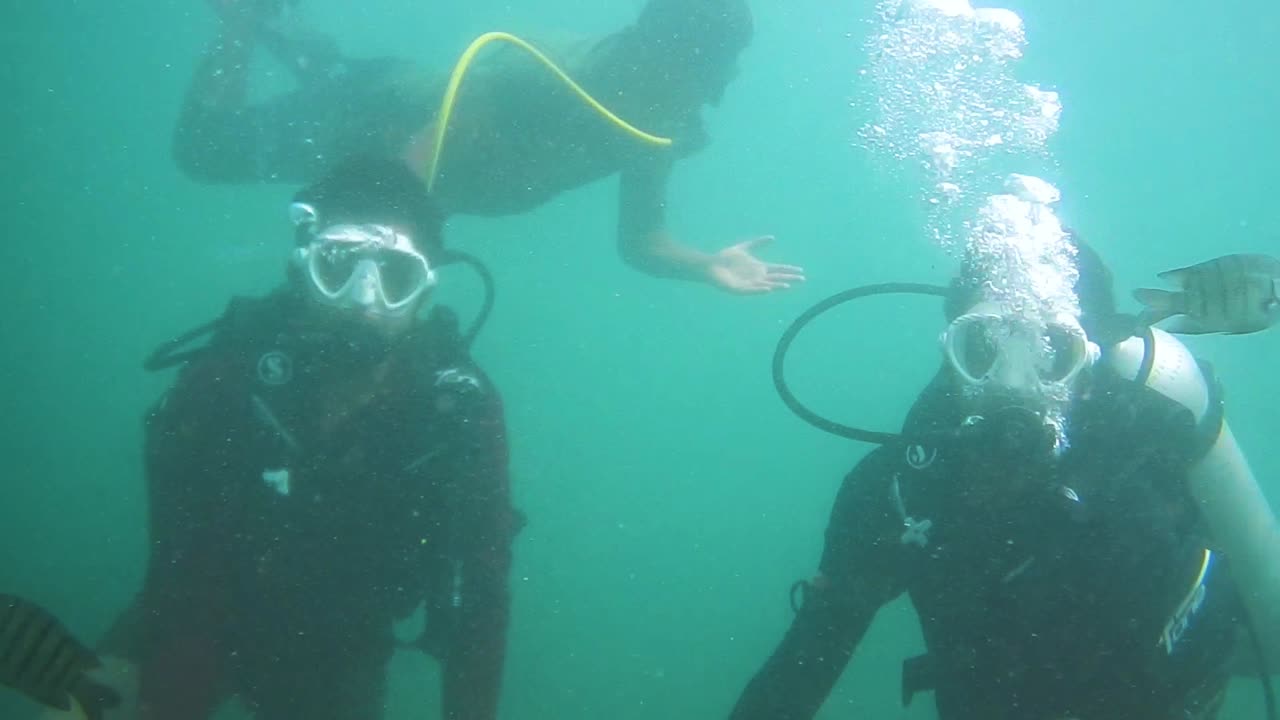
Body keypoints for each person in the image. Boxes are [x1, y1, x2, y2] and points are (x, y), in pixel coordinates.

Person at [729, 240, 1280, 719]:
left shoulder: (1151, 420)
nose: (1012, 386)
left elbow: (1263, 573)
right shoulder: (898, 491)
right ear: (950, 351)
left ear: (1088, 358)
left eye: (1051, 353)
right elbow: (801, 670)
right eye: (983, 348)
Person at [85, 156, 521, 720]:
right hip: (192, 605)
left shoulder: (459, 414)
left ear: (424, 297)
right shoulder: (228, 380)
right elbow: (183, 570)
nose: (364, 301)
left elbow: (482, 600)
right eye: (336, 267)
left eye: (395, 277)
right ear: (300, 273)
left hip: (345, 645)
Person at [174, 0, 804, 295]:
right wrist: (380, 241)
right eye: (699, 63)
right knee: (203, 152)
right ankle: (239, 22)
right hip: (368, 121)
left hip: (410, 163)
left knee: (315, 83)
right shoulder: (550, 70)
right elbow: (422, 149)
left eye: (716, 66)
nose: (716, 82)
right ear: (649, 42)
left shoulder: (661, 123)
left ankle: (296, 40)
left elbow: (640, 240)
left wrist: (706, 265)